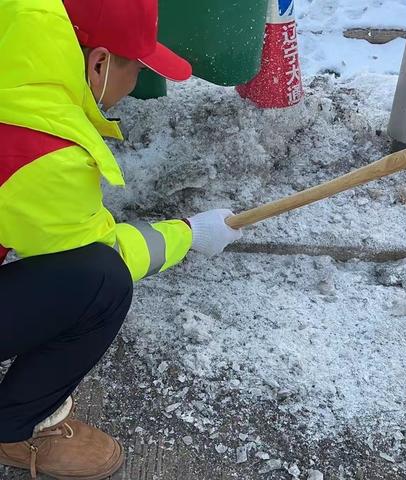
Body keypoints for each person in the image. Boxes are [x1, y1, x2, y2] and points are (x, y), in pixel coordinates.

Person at [0, 0, 242, 478]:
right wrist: (189, 234)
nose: (133, 88)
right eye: (136, 69)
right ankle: (14, 430)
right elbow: (97, 256)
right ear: (99, 62)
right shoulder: (37, 148)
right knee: (99, 284)